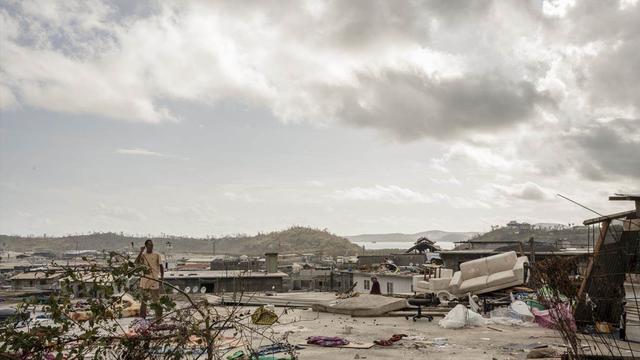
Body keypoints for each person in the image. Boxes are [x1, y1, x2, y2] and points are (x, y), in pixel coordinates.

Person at [136, 239, 164, 320]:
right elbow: (136, 263)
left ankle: (159, 319)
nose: (151, 246)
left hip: (154, 281)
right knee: (143, 302)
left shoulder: (157, 255)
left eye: (152, 245)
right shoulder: (143, 255)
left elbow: (161, 267)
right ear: (146, 246)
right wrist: (140, 252)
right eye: (149, 245)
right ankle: (142, 319)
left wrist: (162, 278)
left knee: (156, 301)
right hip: (144, 282)